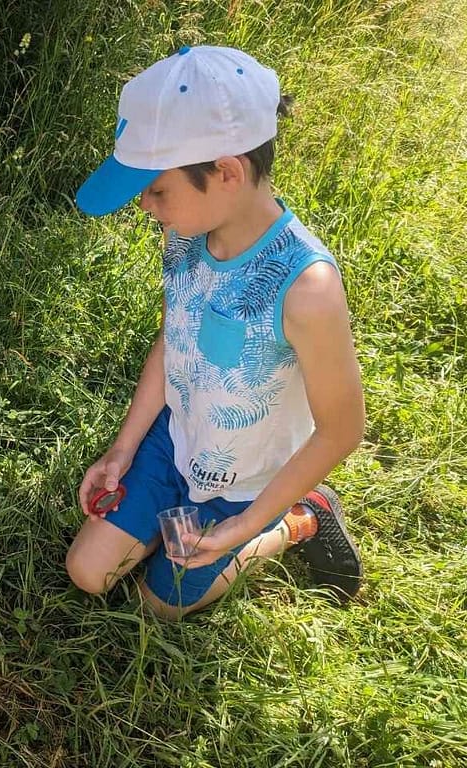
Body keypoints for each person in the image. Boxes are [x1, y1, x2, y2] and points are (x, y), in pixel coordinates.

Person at [66, 46, 365, 620]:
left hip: (247, 482)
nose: (146, 207)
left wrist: (247, 525)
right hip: (177, 443)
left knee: (159, 607)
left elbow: (343, 429)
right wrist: (122, 449)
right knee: (88, 572)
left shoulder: (308, 288)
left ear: (226, 172)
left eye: (157, 190)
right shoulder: (183, 233)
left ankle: (300, 519)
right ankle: (171, 520)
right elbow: (172, 340)